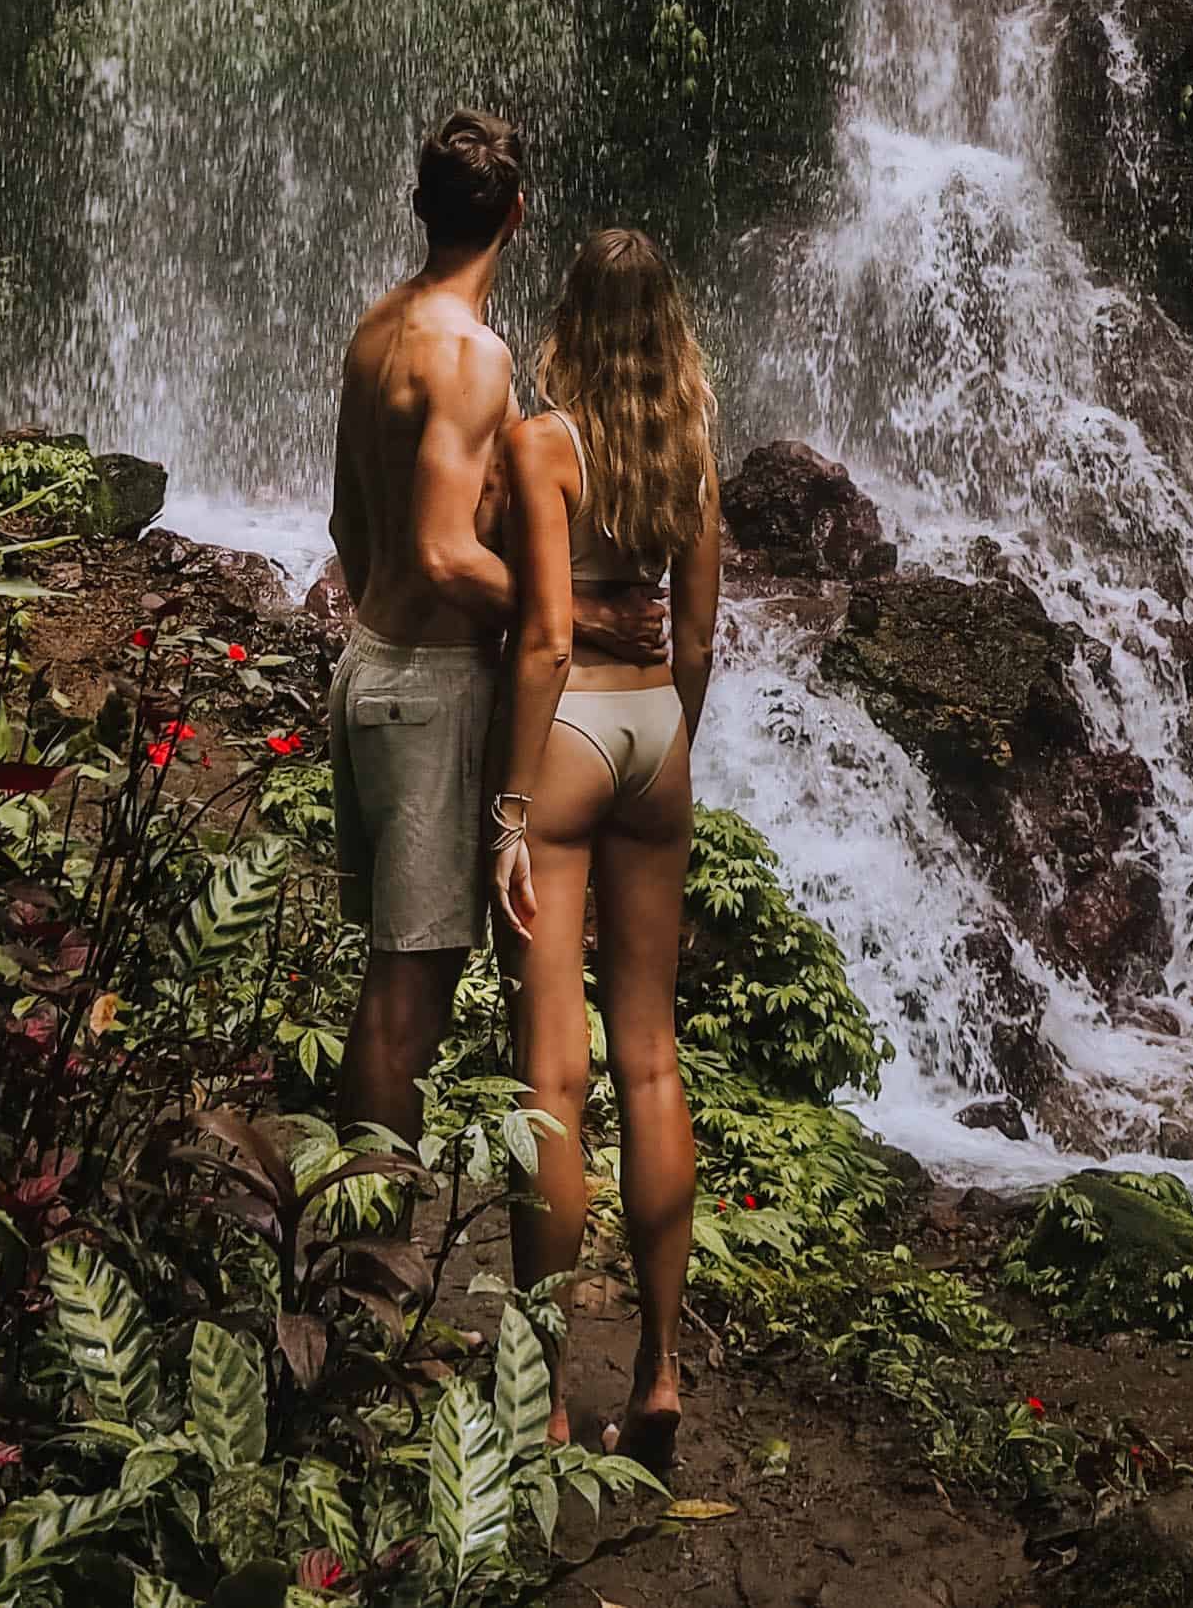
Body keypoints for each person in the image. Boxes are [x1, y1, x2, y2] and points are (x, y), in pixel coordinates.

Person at [326, 112, 663, 1175]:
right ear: (516, 216)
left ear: (418, 205)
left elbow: (351, 529)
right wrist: (575, 611)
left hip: (369, 667)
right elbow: (438, 553)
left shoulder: (376, 327)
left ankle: (348, 1247)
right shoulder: (472, 357)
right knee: (406, 994)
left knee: (393, 981)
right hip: (427, 692)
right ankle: (363, 1276)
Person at [490, 225, 723, 1476]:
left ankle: (544, 1394)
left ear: (570, 320)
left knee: (552, 1075)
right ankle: (659, 1368)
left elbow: (534, 636)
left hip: (572, 725)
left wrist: (512, 809)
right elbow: (697, 636)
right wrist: (670, 740)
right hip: (656, 735)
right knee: (649, 1059)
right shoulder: (689, 450)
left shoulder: (543, 441)